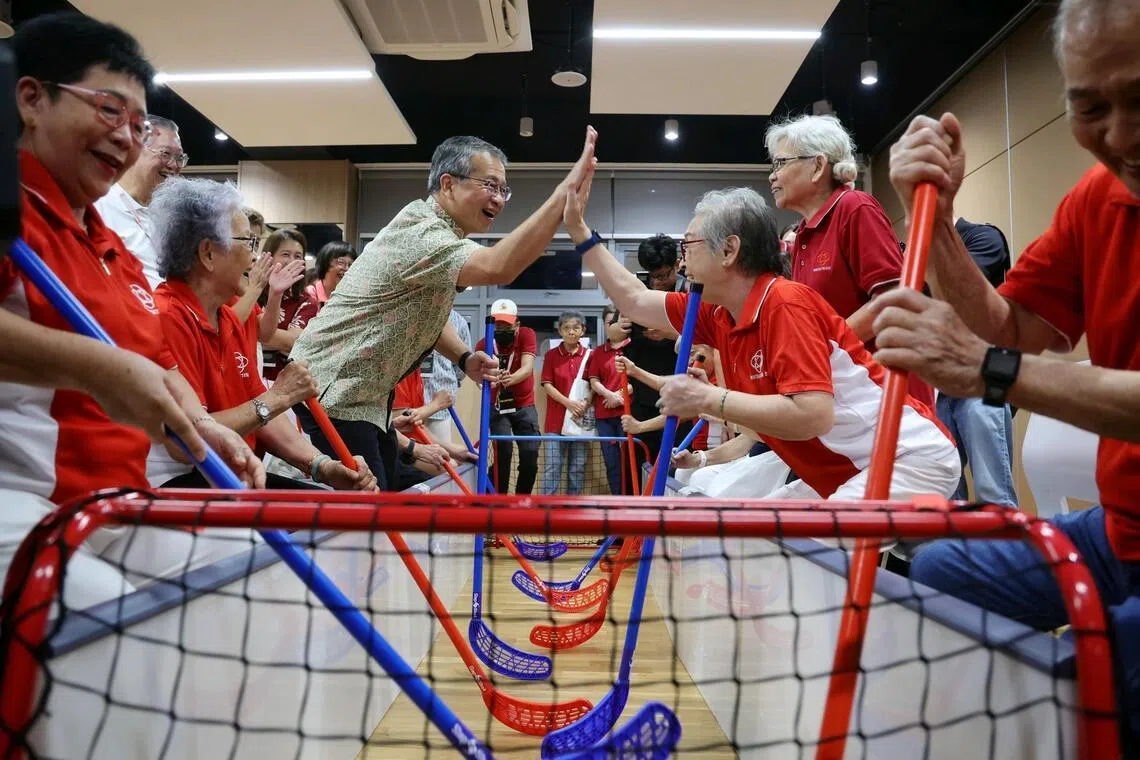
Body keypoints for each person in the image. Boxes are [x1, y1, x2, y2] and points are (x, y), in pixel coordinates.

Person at [870, 0, 1140, 737]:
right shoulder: (1098, 198)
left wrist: (989, 372)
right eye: (1089, 106)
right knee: (939, 578)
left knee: (1115, 661)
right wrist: (944, 220)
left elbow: (998, 353)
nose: (1117, 135)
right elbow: (1017, 326)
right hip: (1120, 533)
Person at [1, 13, 261, 609]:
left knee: (239, 574)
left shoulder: (111, 248)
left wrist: (207, 428)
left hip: (113, 499)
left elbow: (154, 366)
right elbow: (115, 367)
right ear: (32, 99)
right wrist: (96, 367)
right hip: (21, 496)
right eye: (108, 109)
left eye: (139, 124)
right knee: (113, 624)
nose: (126, 136)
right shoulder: (12, 216)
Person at [568, 185, 959, 509]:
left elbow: (813, 414)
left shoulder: (785, 304)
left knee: (798, 553)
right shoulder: (719, 312)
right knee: (769, 543)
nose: (683, 259)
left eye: (689, 245)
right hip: (849, 467)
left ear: (729, 250)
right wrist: (580, 231)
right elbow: (635, 300)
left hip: (905, 458)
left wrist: (706, 398)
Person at [290, 130, 597, 491]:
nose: (498, 199)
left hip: (363, 401)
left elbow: (427, 316)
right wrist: (562, 199)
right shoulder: (423, 235)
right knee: (368, 518)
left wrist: (465, 356)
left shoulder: (443, 237)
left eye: (504, 190)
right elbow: (501, 265)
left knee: (394, 500)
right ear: (448, 184)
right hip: (333, 394)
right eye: (490, 185)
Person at [145, 177, 376, 492]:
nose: (255, 259)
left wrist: (322, 466)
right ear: (208, 254)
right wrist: (278, 396)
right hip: (179, 480)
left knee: (340, 508)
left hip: (231, 473)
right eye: (248, 243)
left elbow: (262, 411)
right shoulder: (167, 317)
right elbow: (190, 436)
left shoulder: (229, 318)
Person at [766, 113, 935, 408]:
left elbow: (894, 299)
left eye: (780, 163)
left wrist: (824, 351)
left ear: (818, 166)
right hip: (850, 394)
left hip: (889, 396)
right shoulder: (804, 234)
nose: (772, 175)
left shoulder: (854, 207)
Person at [934, 218, 1017, 506]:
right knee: (945, 494)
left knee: (994, 493)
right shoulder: (914, 258)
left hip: (984, 375)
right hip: (939, 382)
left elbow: (959, 291)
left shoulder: (983, 236)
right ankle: (957, 551)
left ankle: (1004, 549)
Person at [622, 234, 690, 467]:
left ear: (676, 265)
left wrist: (668, 334)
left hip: (677, 386)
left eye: (663, 275)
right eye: (653, 276)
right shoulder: (636, 290)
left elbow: (702, 338)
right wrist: (616, 327)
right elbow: (614, 333)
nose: (658, 282)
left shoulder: (688, 290)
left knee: (673, 463)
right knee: (639, 460)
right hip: (640, 392)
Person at [94, 114, 185, 288]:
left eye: (180, 157)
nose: (174, 165)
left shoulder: (171, 215)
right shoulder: (100, 205)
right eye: (165, 154)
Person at [474, 298, 540, 494]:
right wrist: (493, 377)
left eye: (507, 324)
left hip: (524, 405)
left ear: (517, 324)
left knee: (530, 454)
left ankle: (522, 501)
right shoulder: (483, 344)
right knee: (503, 452)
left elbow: (527, 368)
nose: (502, 328)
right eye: (498, 324)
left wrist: (509, 378)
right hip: (497, 406)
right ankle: (496, 499)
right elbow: (479, 376)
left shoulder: (527, 335)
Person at [539, 311, 592, 495]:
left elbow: (595, 384)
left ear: (583, 330)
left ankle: (573, 510)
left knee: (577, 468)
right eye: (566, 328)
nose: (571, 332)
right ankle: (546, 510)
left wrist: (585, 404)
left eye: (576, 328)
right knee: (552, 467)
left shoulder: (589, 355)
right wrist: (568, 403)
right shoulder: (552, 355)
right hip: (555, 422)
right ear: (560, 331)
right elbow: (547, 384)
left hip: (580, 421)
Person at [258, 229, 316, 382]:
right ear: (269, 257)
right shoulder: (251, 290)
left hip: (282, 382)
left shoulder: (306, 300)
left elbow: (293, 341)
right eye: (285, 254)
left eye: (298, 256)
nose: (292, 261)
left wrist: (251, 335)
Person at [587, 306, 629, 495]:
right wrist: (609, 395)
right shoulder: (598, 352)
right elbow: (594, 380)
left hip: (627, 416)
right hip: (603, 416)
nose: (612, 326)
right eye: (608, 322)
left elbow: (637, 381)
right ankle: (617, 500)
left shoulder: (632, 348)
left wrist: (619, 397)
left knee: (629, 460)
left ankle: (633, 500)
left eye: (616, 322)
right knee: (611, 462)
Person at [422, 309, 470, 445]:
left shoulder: (458, 321)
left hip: (441, 405)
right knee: (407, 457)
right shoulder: (413, 313)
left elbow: (462, 365)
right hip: (408, 404)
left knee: (440, 457)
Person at [306, 240, 356, 310]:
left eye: (350, 265)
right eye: (341, 262)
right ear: (325, 264)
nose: (347, 269)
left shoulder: (350, 296)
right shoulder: (310, 294)